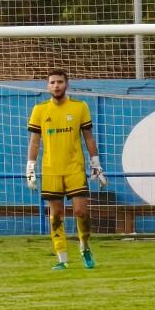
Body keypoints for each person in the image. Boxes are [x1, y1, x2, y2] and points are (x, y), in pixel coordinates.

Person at [26, 69, 105, 270]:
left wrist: (96, 164)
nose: (56, 85)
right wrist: (30, 168)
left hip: (75, 169)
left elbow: (88, 137)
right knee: (56, 214)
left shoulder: (80, 107)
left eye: (59, 82)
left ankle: (85, 248)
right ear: (47, 86)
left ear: (66, 84)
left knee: (80, 211)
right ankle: (61, 259)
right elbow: (34, 141)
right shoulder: (40, 110)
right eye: (52, 82)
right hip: (51, 169)